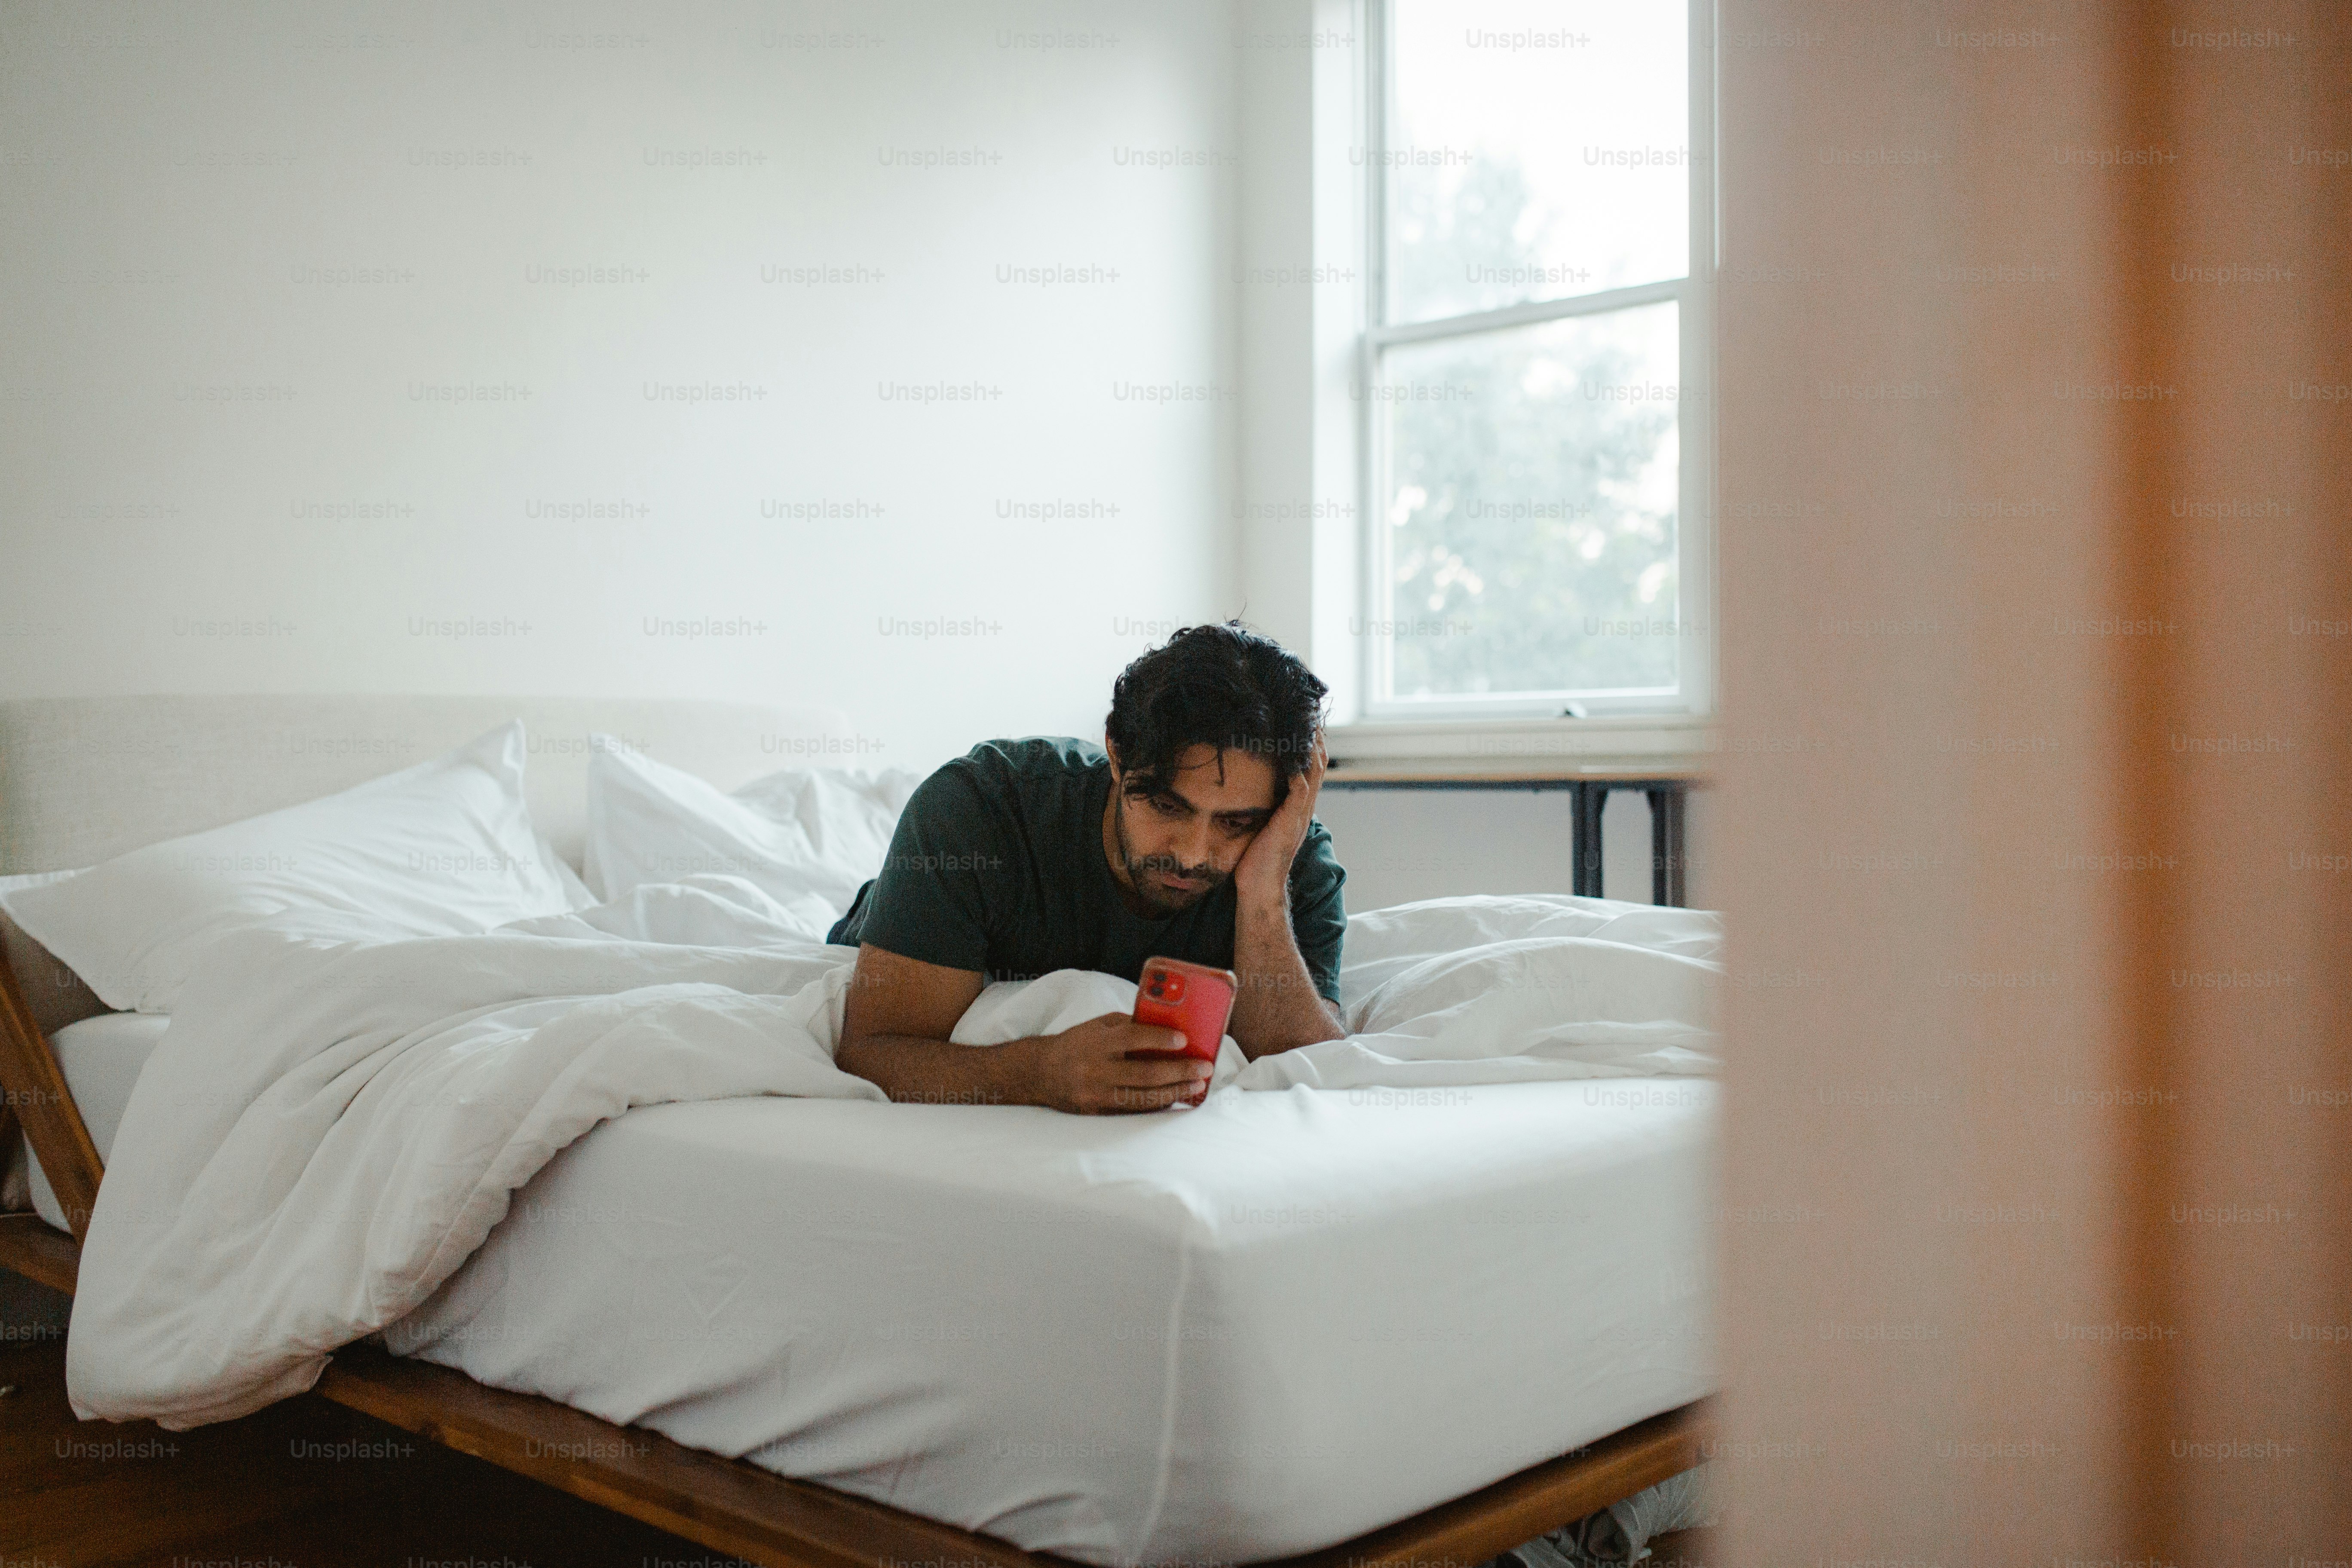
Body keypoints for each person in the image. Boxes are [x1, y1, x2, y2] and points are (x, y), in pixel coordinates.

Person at [829, 621, 1347, 1114]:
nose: (1192, 855)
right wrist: (1036, 1073)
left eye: (1235, 823)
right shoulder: (977, 811)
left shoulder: (1289, 853)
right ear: (1118, 756)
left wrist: (1263, 895)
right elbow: (874, 1052)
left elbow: (1304, 1063)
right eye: (1168, 807)